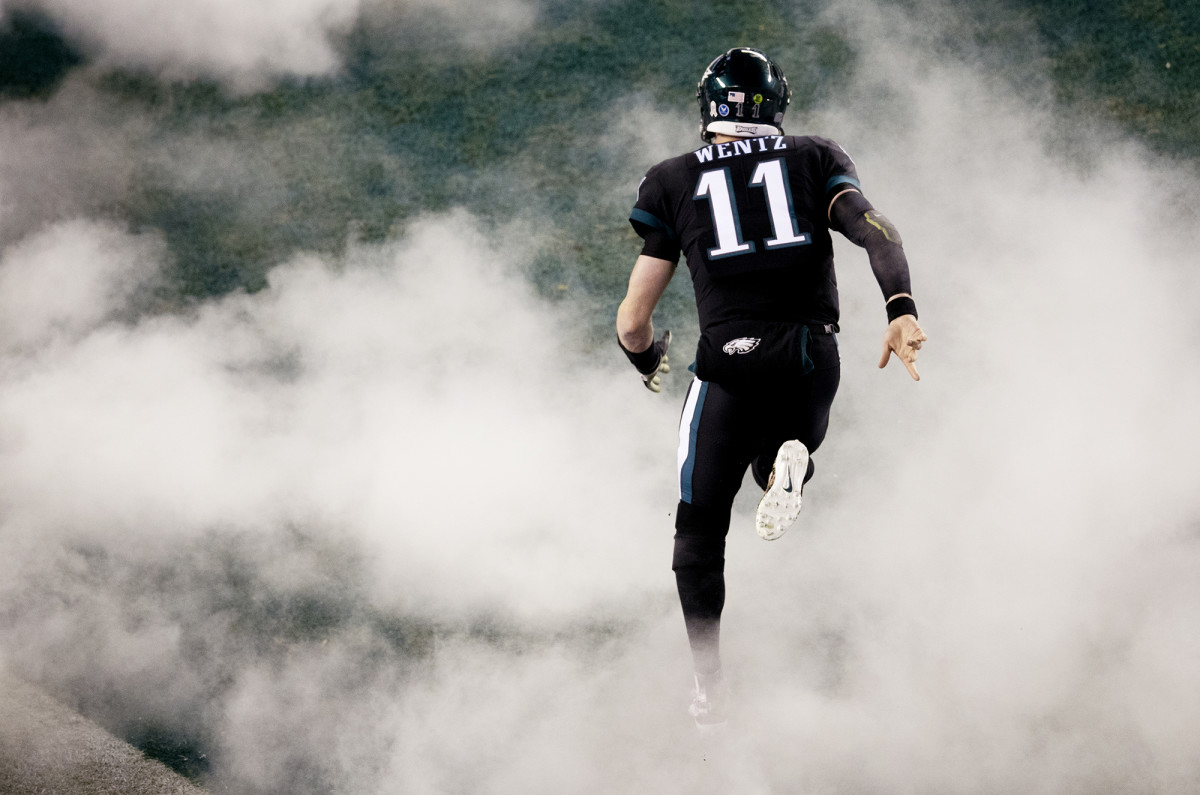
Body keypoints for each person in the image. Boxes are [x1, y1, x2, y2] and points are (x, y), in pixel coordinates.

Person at [615, 47, 927, 727]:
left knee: (698, 529)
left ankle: (709, 687)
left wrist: (647, 358)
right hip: (811, 355)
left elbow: (633, 321)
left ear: (709, 109)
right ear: (776, 106)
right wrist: (900, 308)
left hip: (728, 361)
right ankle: (788, 462)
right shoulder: (814, 156)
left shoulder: (671, 179)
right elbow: (876, 231)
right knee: (780, 452)